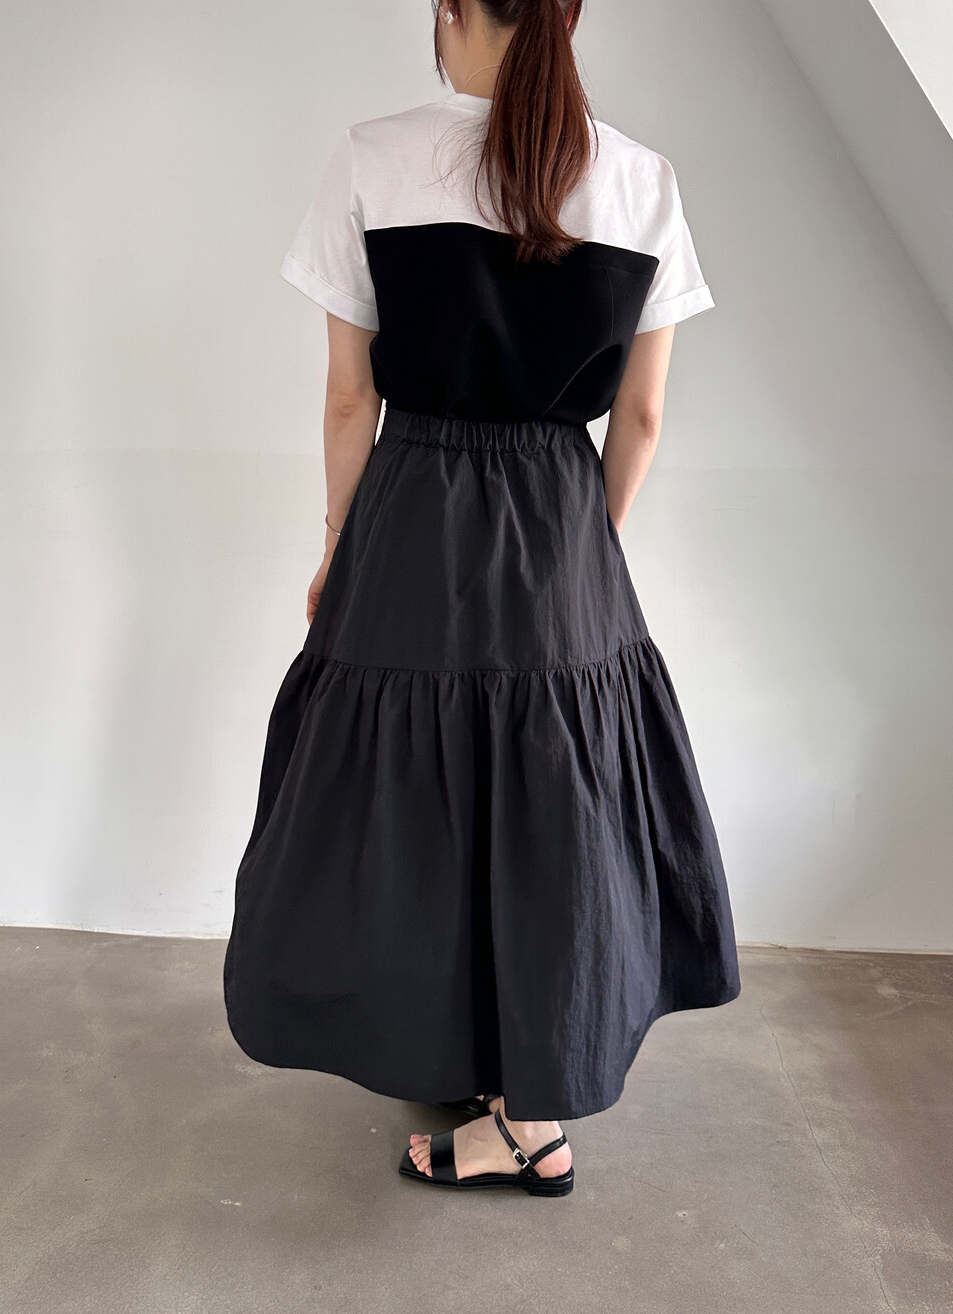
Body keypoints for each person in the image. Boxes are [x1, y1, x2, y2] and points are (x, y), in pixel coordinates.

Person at [223, 0, 741, 1200]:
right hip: (559, 511)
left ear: (454, 11)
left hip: (413, 505)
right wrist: (583, 549)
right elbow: (642, 415)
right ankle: (520, 1079)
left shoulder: (376, 157)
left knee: (413, 782)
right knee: (547, 791)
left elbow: (349, 400)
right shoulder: (639, 178)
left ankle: (520, 1126)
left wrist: (338, 543)